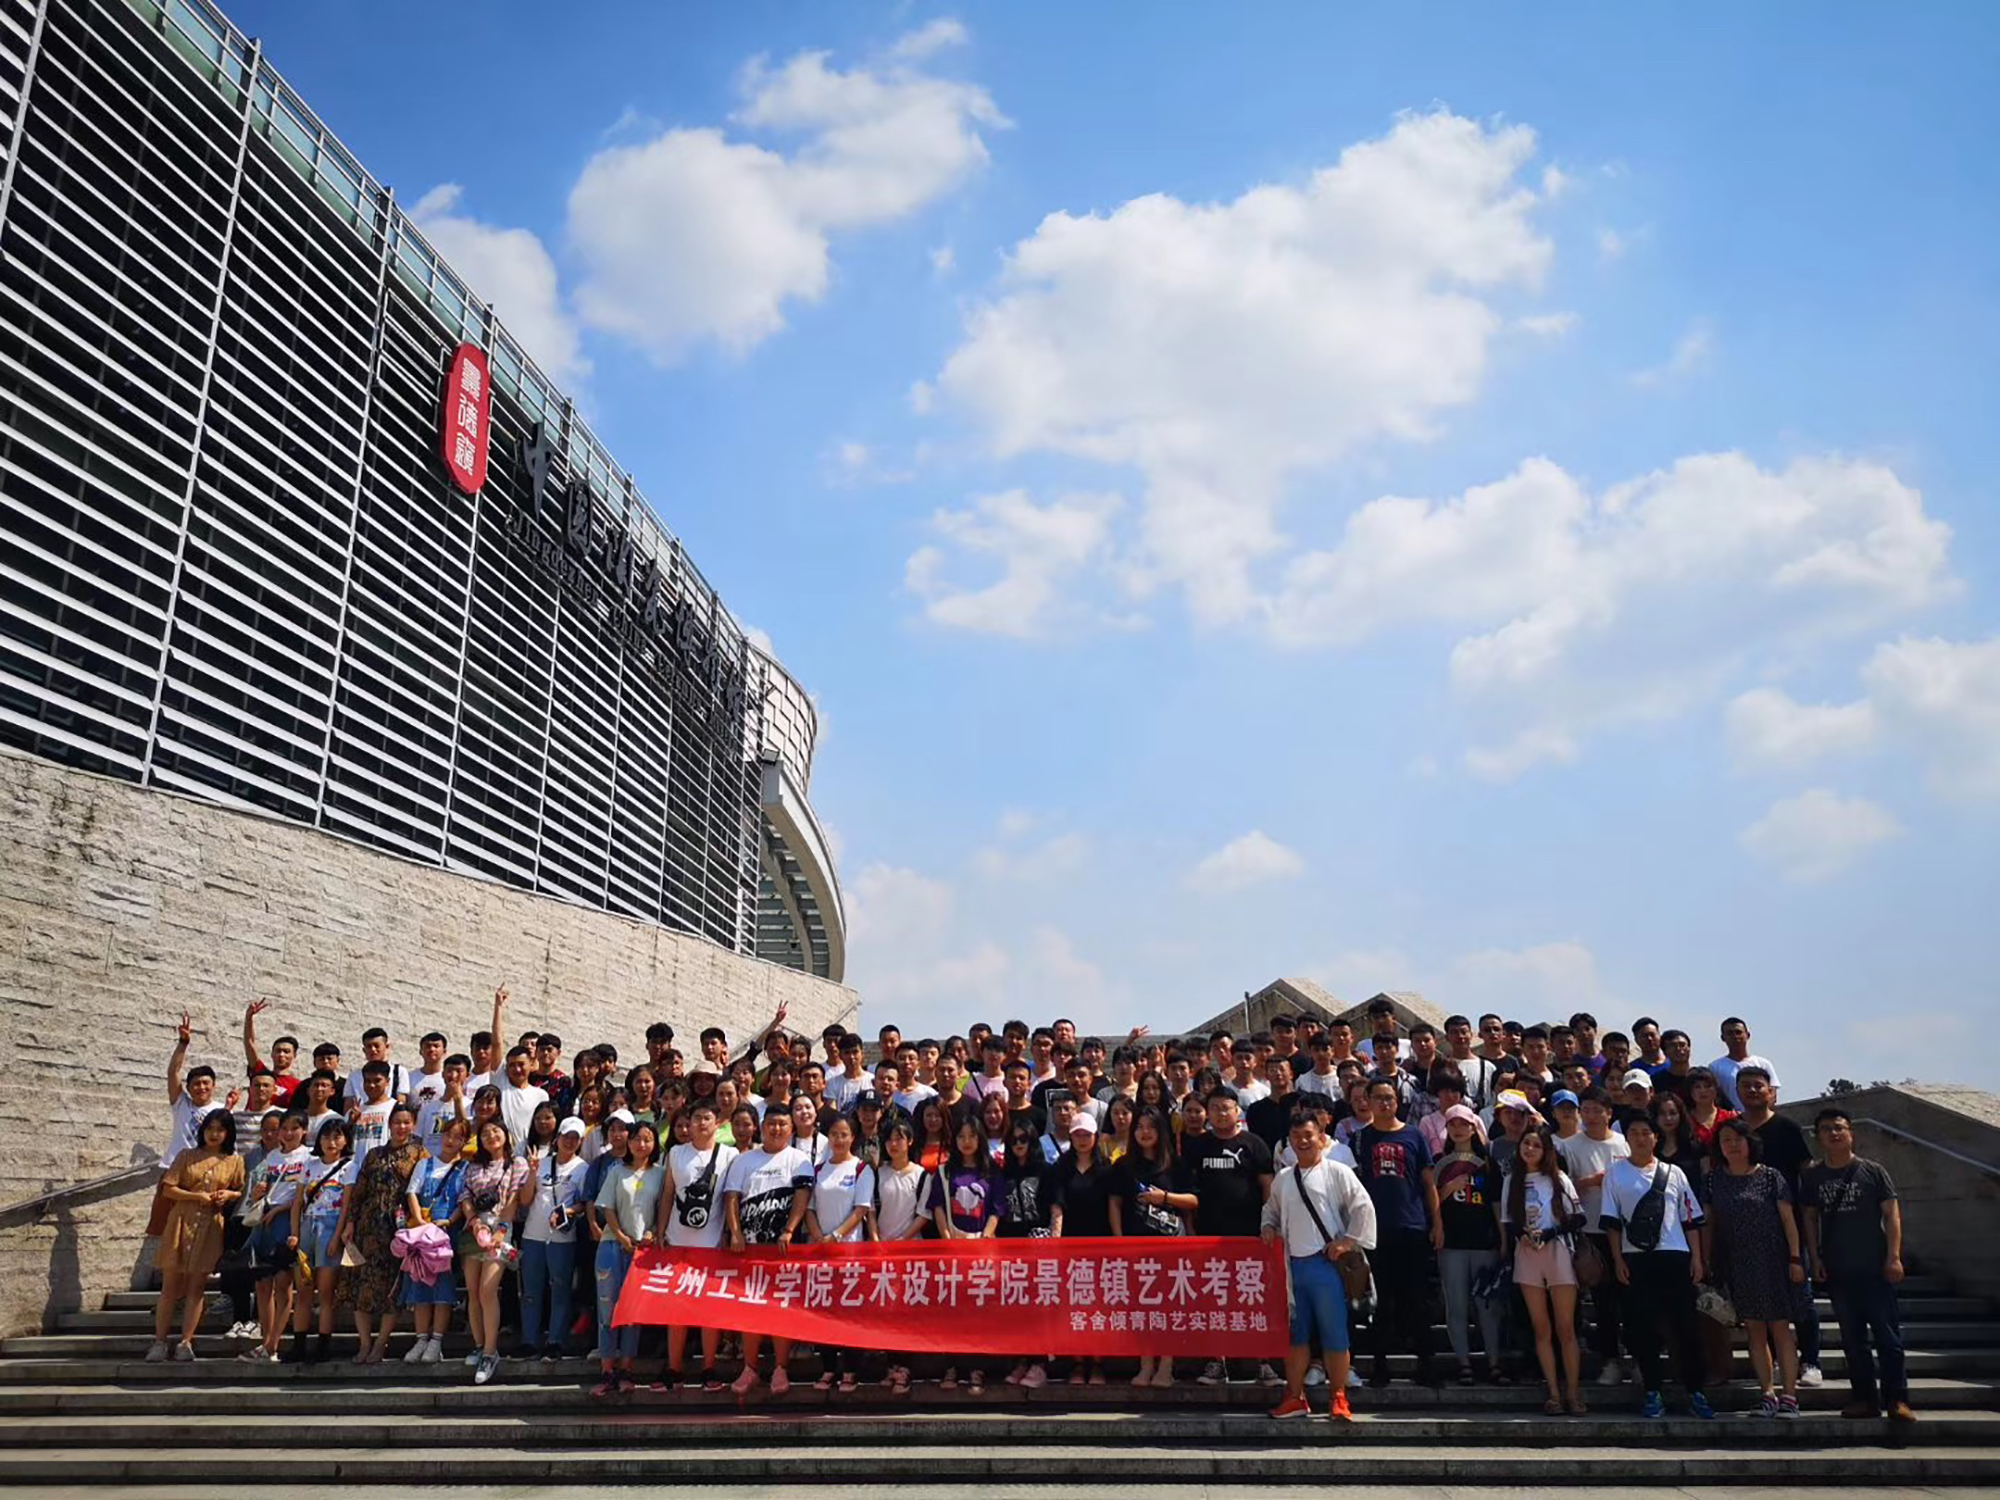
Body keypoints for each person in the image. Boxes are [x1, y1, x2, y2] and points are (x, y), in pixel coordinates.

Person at [1262, 1108, 1377, 1421]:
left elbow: (1363, 1207)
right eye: (1296, 1136)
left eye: (1308, 1135)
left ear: (1321, 1138)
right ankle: (1294, 1396)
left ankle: (1338, 1396)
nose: (1302, 1141)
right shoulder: (1284, 1178)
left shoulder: (1337, 1171)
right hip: (1293, 1267)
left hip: (1327, 1267)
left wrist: (1347, 1242)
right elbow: (1270, 1210)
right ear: (1289, 1140)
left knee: (1334, 1334)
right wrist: (1268, 1226)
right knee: (1296, 1337)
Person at [1802, 1108, 1913, 1422]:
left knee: (1888, 1338)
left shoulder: (1872, 1171)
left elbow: (1892, 1215)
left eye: (1839, 1128)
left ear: (1851, 1133)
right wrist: (1815, 1258)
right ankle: (1864, 1399)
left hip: (1875, 1267)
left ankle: (1897, 1399)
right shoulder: (1813, 1176)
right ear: (1818, 1137)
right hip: (1838, 1269)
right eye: (1826, 1129)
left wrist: (1894, 1256)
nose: (1834, 1133)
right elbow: (1809, 1218)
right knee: (1853, 1340)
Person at [1602, 1112, 1714, 1420]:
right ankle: (1653, 1391)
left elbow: (1691, 1219)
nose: (1640, 1138)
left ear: (1656, 1137)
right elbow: (1611, 1222)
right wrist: (1617, 1259)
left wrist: (1697, 1257)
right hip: (1636, 1257)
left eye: (1646, 1133)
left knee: (1686, 1328)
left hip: (1675, 1254)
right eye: (1634, 1133)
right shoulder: (1615, 1173)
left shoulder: (1674, 1172)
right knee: (1643, 1329)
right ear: (1627, 1138)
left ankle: (1696, 1391)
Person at [1705, 1116, 1804, 1417]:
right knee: (1754, 1331)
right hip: (1737, 1263)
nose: (1732, 1145)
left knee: (1781, 1328)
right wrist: (1706, 1261)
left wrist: (1796, 1258)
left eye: (1738, 1139)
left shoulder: (1771, 1176)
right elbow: (1708, 1224)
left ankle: (1790, 1395)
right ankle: (1767, 1393)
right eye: (1726, 1140)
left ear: (1750, 1143)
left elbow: (1788, 1220)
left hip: (1774, 1261)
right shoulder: (1712, 1180)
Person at [1352, 1077, 1442, 1388]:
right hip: (1375, 1231)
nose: (1384, 1103)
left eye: (1389, 1097)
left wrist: (1437, 1223)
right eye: (1378, 1097)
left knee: (1417, 1300)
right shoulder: (1360, 1139)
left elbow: (1429, 1183)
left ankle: (1427, 1365)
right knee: (1382, 1302)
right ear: (1367, 1101)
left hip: (1412, 1227)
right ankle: (1380, 1366)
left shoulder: (1413, 1135)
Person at [1736, 1066, 1822, 1387]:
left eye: (1758, 1085)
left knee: (1801, 1297)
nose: (1752, 1091)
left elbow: (1805, 1169)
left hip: (1789, 1225)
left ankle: (1810, 1361)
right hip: (1749, 1228)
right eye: (1746, 1086)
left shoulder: (1786, 1127)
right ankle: (1773, 1360)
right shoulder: (1736, 1129)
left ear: (1770, 1091)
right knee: (1763, 1298)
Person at [721, 1107, 815, 1397]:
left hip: (783, 1249)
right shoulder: (743, 1160)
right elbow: (732, 1197)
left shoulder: (799, 1160)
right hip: (748, 1248)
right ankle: (750, 1368)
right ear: (761, 1127)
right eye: (771, 1124)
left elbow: (802, 1196)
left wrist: (789, 1229)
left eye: (782, 1124)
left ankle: (780, 1368)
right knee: (750, 1310)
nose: (776, 1129)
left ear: (791, 1128)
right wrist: (735, 1232)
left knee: (780, 1310)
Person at [331, 1102, 425, 1366]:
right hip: (367, 1227)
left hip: (398, 1230)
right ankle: (364, 1343)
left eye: (406, 1122)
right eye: (397, 1122)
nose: (401, 1127)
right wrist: (350, 1223)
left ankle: (381, 1342)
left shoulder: (420, 1154)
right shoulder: (374, 1154)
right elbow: (359, 1192)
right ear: (389, 1124)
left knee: (391, 1290)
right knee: (361, 1286)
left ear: (413, 1125)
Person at [146, 1109, 244, 1362]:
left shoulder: (234, 1161)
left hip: (211, 1225)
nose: (214, 1134)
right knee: (170, 1285)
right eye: (210, 1128)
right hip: (182, 1220)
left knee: (197, 1286)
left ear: (228, 1133)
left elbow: (241, 1191)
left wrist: (228, 1195)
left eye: (220, 1129)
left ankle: (186, 1341)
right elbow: (168, 1189)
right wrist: (195, 1196)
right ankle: (159, 1341)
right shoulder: (186, 1156)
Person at [1502, 1124, 1584, 1413]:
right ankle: (1553, 1392)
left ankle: (1572, 1392)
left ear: (1546, 1150)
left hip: (1557, 1250)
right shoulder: (1511, 1180)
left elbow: (1578, 1217)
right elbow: (1508, 1220)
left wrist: (1549, 1234)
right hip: (1527, 1254)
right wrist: (1522, 1235)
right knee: (1541, 1328)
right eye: (1526, 1143)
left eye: (1536, 1145)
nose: (1530, 1149)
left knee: (1565, 1327)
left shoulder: (1558, 1178)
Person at [1555, 1086, 1630, 1387]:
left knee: (1630, 1300)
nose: (1591, 1116)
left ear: (1609, 1113)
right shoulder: (1570, 1146)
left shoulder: (1624, 1142)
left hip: (1624, 1231)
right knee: (1603, 1300)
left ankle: (1636, 1357)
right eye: (1585, 1110)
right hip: (1589, 1232)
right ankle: (1610, 1360)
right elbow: (1560, 1187)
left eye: (1598, 1110)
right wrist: (1589, 1182)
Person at [591, 1119, 665, 1397]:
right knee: (607, 1308)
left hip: (643, 1251)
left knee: (632, 1311)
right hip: (612, 1244)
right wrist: (621, 1235)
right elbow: (606, 1207)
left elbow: (663, 1208)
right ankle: (607, 1369)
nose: (641, 1144)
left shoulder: (661, 1173)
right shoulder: (616, 1171)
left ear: (654, 1143)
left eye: (647, 1139)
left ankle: (626, 1369)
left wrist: (653, 1231)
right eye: (636, 1138)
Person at [1434, 1104, 1506, 1387]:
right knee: (1457, 1305)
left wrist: (1502, 1238)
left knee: (1488, 1306)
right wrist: (1450, 1187)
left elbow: (1496, 1203)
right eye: (1452, 1124)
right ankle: (1463, 1362)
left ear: (1474, 1127)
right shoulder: (1439, 1161)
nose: (1458, 1129)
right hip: (1452, 1243)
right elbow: (1431, 1201)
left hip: (1484, 1241)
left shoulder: (1488, 1163)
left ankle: (1494, 1362)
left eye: (1464, 1124)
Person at [806, 1114, 875, 1393]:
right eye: (834, 1134)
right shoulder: (818, 1169)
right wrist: (819, 1238)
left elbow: (861, 1210)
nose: (838, 1139)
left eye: (844, 1134)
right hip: (821, 1251)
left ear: (852, 1138)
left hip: (849, 1252)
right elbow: (809, 1207)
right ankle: (827, 1368)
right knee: (823, 1312)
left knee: (849, 1312)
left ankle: (850, 1370)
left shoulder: (861, 1169)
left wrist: (836, 1236)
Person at [932, 1117, 1001, 1391]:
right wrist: (946, 1239)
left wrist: (985, 1237)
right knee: (952, 1309)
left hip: (981, 1247)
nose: (967, 1141)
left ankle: (976, 1368)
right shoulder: (945, 1172)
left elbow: (996, 1209)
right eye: (961, 1136)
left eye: (972, 1136)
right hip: (953, 1245)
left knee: (978, 1310)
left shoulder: (991, 1171)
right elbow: (938, 1206)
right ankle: (951, 1366)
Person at [1047, 1113, 1116, 1386]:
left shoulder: (1107, 1169)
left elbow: (1114, 1207)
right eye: (1077, 1134)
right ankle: (1077, 1362)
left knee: (1099, 1307)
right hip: (1071, 1246)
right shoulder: (1060, 1168)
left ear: (1095, 1136)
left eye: (1087, 1134)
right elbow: (1057, 1206)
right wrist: (1055, 1242)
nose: (1082, 1139)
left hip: (1101, 1245)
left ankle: (1097, 1362)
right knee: (1072, 1306)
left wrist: (1118, 1241)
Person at [460, 1119, 529, 1385]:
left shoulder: (516, 1163)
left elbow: (513, 1198)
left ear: (506, 1134)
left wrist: (501, 1230)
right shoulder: (472, 1166)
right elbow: (465, 1197)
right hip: (474, 1231)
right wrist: (474, 1222)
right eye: (485, 1133)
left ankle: (490, 1352)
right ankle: (479, 1345)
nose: (491, 1136)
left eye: (496, 1131)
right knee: (473, 1291)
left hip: (501, 1229)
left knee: (488, 1290)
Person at [515, 1114, 588, 1362]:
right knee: (531, 1290)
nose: (570, 1141)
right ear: (557, 1138)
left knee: (560, 1288)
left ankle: (556, 1341)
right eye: (566, 1136)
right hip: (533, 1234)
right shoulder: (541, 1163)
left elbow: (583, 1202)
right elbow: (525, 1200)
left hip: (562, 1237)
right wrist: (532, 1172)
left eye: (575, 1138)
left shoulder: (582, 1168)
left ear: (580, 1142)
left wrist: (567, 1211)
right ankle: (529, 1340)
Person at [243, 1109, 311, 1362]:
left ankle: (274, 1343)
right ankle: (265, 1342)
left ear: (304, 1131)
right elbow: (258, 1189)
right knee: (262, 1285)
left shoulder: (309, 1157)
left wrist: (281, 1209)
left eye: (295, 1128)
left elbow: (306, 1195)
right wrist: (258, 1195)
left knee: (283, 1285)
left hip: (287, 1220)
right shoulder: (271, 1156)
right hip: (265, 1220)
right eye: (284, 1128)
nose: (288, 1133)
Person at [400, 1114, 468, 1364]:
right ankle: (421, 1339)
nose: (451, 1140)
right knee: (419, 1283)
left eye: (458, 1137)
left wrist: (449, 1220)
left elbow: (464, 1200)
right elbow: (412, 1192)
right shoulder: (425, 1164)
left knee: (443, 1287)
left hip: (446, 1234)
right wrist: (419, 1219)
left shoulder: (465, 1168)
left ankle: (436, 1340)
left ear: (464, 1142)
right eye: (448, 1134)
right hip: (422, 1232)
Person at [288, 1118, 355, 1363]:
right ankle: (298, 1345)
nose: (331, 1142)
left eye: (337, 1137)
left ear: (345, 1140)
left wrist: (336, 1237)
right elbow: (297, 1203)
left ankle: (323, 1345)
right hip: (308, 1225)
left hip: (331, 1225)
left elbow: (346, 1206)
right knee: (303, 1289)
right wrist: (294, 1233)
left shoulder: (349, 1167)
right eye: (326, 1137)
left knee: (326, 1292)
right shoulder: (309, 1165)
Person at [1709, 1018, 1781, 1112]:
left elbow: (1772, 1094)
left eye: (1738, 1032)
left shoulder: (1763, 1064)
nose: (1735, 1036)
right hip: (1732, 1118)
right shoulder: (1715, 1067)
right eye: (1730, 1033)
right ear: (1723, 1038)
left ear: (1748, 1035)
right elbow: (1716, 1097)